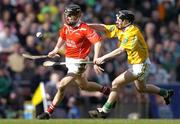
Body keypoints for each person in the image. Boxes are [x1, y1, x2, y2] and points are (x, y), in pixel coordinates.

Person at [88, 10, 174, 118]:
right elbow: (103, 27)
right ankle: (165, 93)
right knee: (141, 88)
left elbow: (120, 50)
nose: (116, 22)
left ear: (127, 21)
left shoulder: (133, 33)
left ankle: (104, 111)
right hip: (135, 64)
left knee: (115, 83)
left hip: (141, 65)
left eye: (119, 20)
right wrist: (86, 25)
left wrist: (103, 58)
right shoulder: (121, 28)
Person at [37, 4, 110, 119]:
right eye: (67, 15)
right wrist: (55, 49)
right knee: (84, 85)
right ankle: (106, 90)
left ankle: (48, 112)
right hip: (69, 59)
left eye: (71, 15)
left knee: (62, 85)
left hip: (80, 61)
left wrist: (96, 58)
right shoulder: (67, 26)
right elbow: (62, 36)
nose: (68, 18)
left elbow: (98, 42)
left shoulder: (84, 28)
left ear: (78, 16)